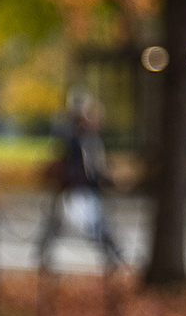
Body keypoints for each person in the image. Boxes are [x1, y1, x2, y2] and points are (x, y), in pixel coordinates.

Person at [36, 90, 126, 269]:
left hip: (81, 188)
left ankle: (113, 256)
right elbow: (83, 167)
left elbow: (92, 167)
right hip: (75, 189)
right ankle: (113, 257)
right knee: (88, 224)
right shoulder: (76, 138)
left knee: (86, 224)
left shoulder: (86, 138)